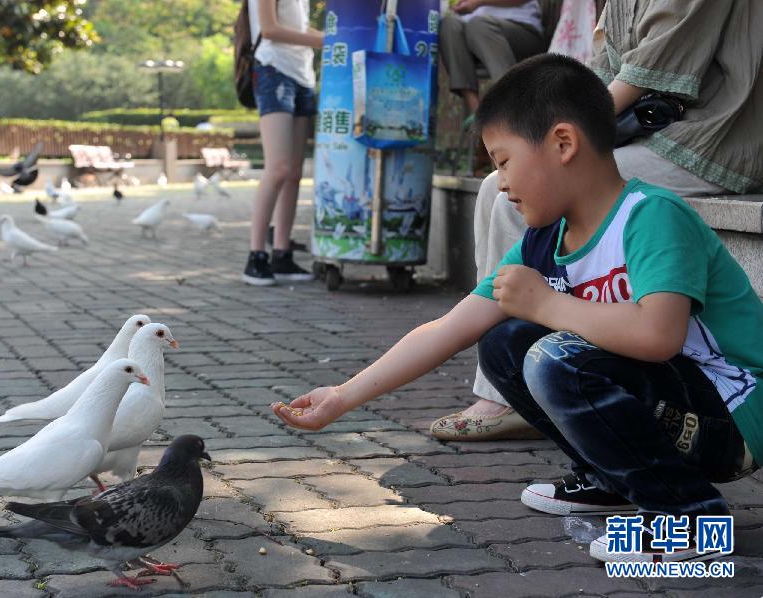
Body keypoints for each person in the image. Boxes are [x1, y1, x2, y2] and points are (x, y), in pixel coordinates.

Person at [273, 54, 763, 563]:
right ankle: (613, 481)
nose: (500, 182)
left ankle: (692, 518)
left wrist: (548, 303)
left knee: (555, 358)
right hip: (673, 398)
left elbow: (658, 335)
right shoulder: (541, 242)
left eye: (504, 161)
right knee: (504, 345)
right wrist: (343, 396)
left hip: (731, 417)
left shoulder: (651, 216)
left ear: (563, 143)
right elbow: (446, 328)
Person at [431, 0, 763, 440]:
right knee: (501, 188)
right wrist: (345, 395)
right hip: (631, 132)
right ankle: (521, 385)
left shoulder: (656, 214)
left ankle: (535, 387)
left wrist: (552, 132)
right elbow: (600, 72)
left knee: (518, 190)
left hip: (704, 140)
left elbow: (648, 70)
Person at [243, 0, 323, 286]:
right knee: (277, 168)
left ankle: (281, 253)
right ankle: (256, 256)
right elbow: (270, 29)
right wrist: (326, 40)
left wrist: (328, 38)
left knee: (294, 173)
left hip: (303, 75)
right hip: (273, 69)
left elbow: (298, 27)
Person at [439, 0, 545, 121]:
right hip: (473, 36)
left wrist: (477, 2)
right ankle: (476, 113)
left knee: (479, 25)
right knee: (449, 24)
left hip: (521, 30)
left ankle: (511, 107)